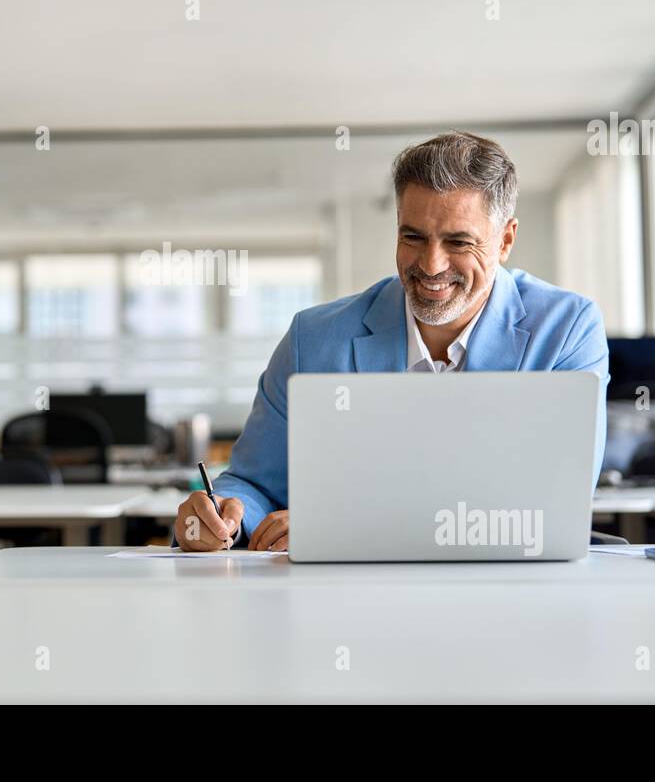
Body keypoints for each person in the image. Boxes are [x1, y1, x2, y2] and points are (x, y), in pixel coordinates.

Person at [174, 130, 609, 551]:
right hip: (350, 605)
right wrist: (220, 517)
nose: (431, 264)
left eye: (458, 241)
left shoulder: (567, 330)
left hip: (507, 594)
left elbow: (555, 498)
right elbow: (251, 484)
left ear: (505, 240)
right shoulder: (315, 339)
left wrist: (341, 524)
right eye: (412, 236)